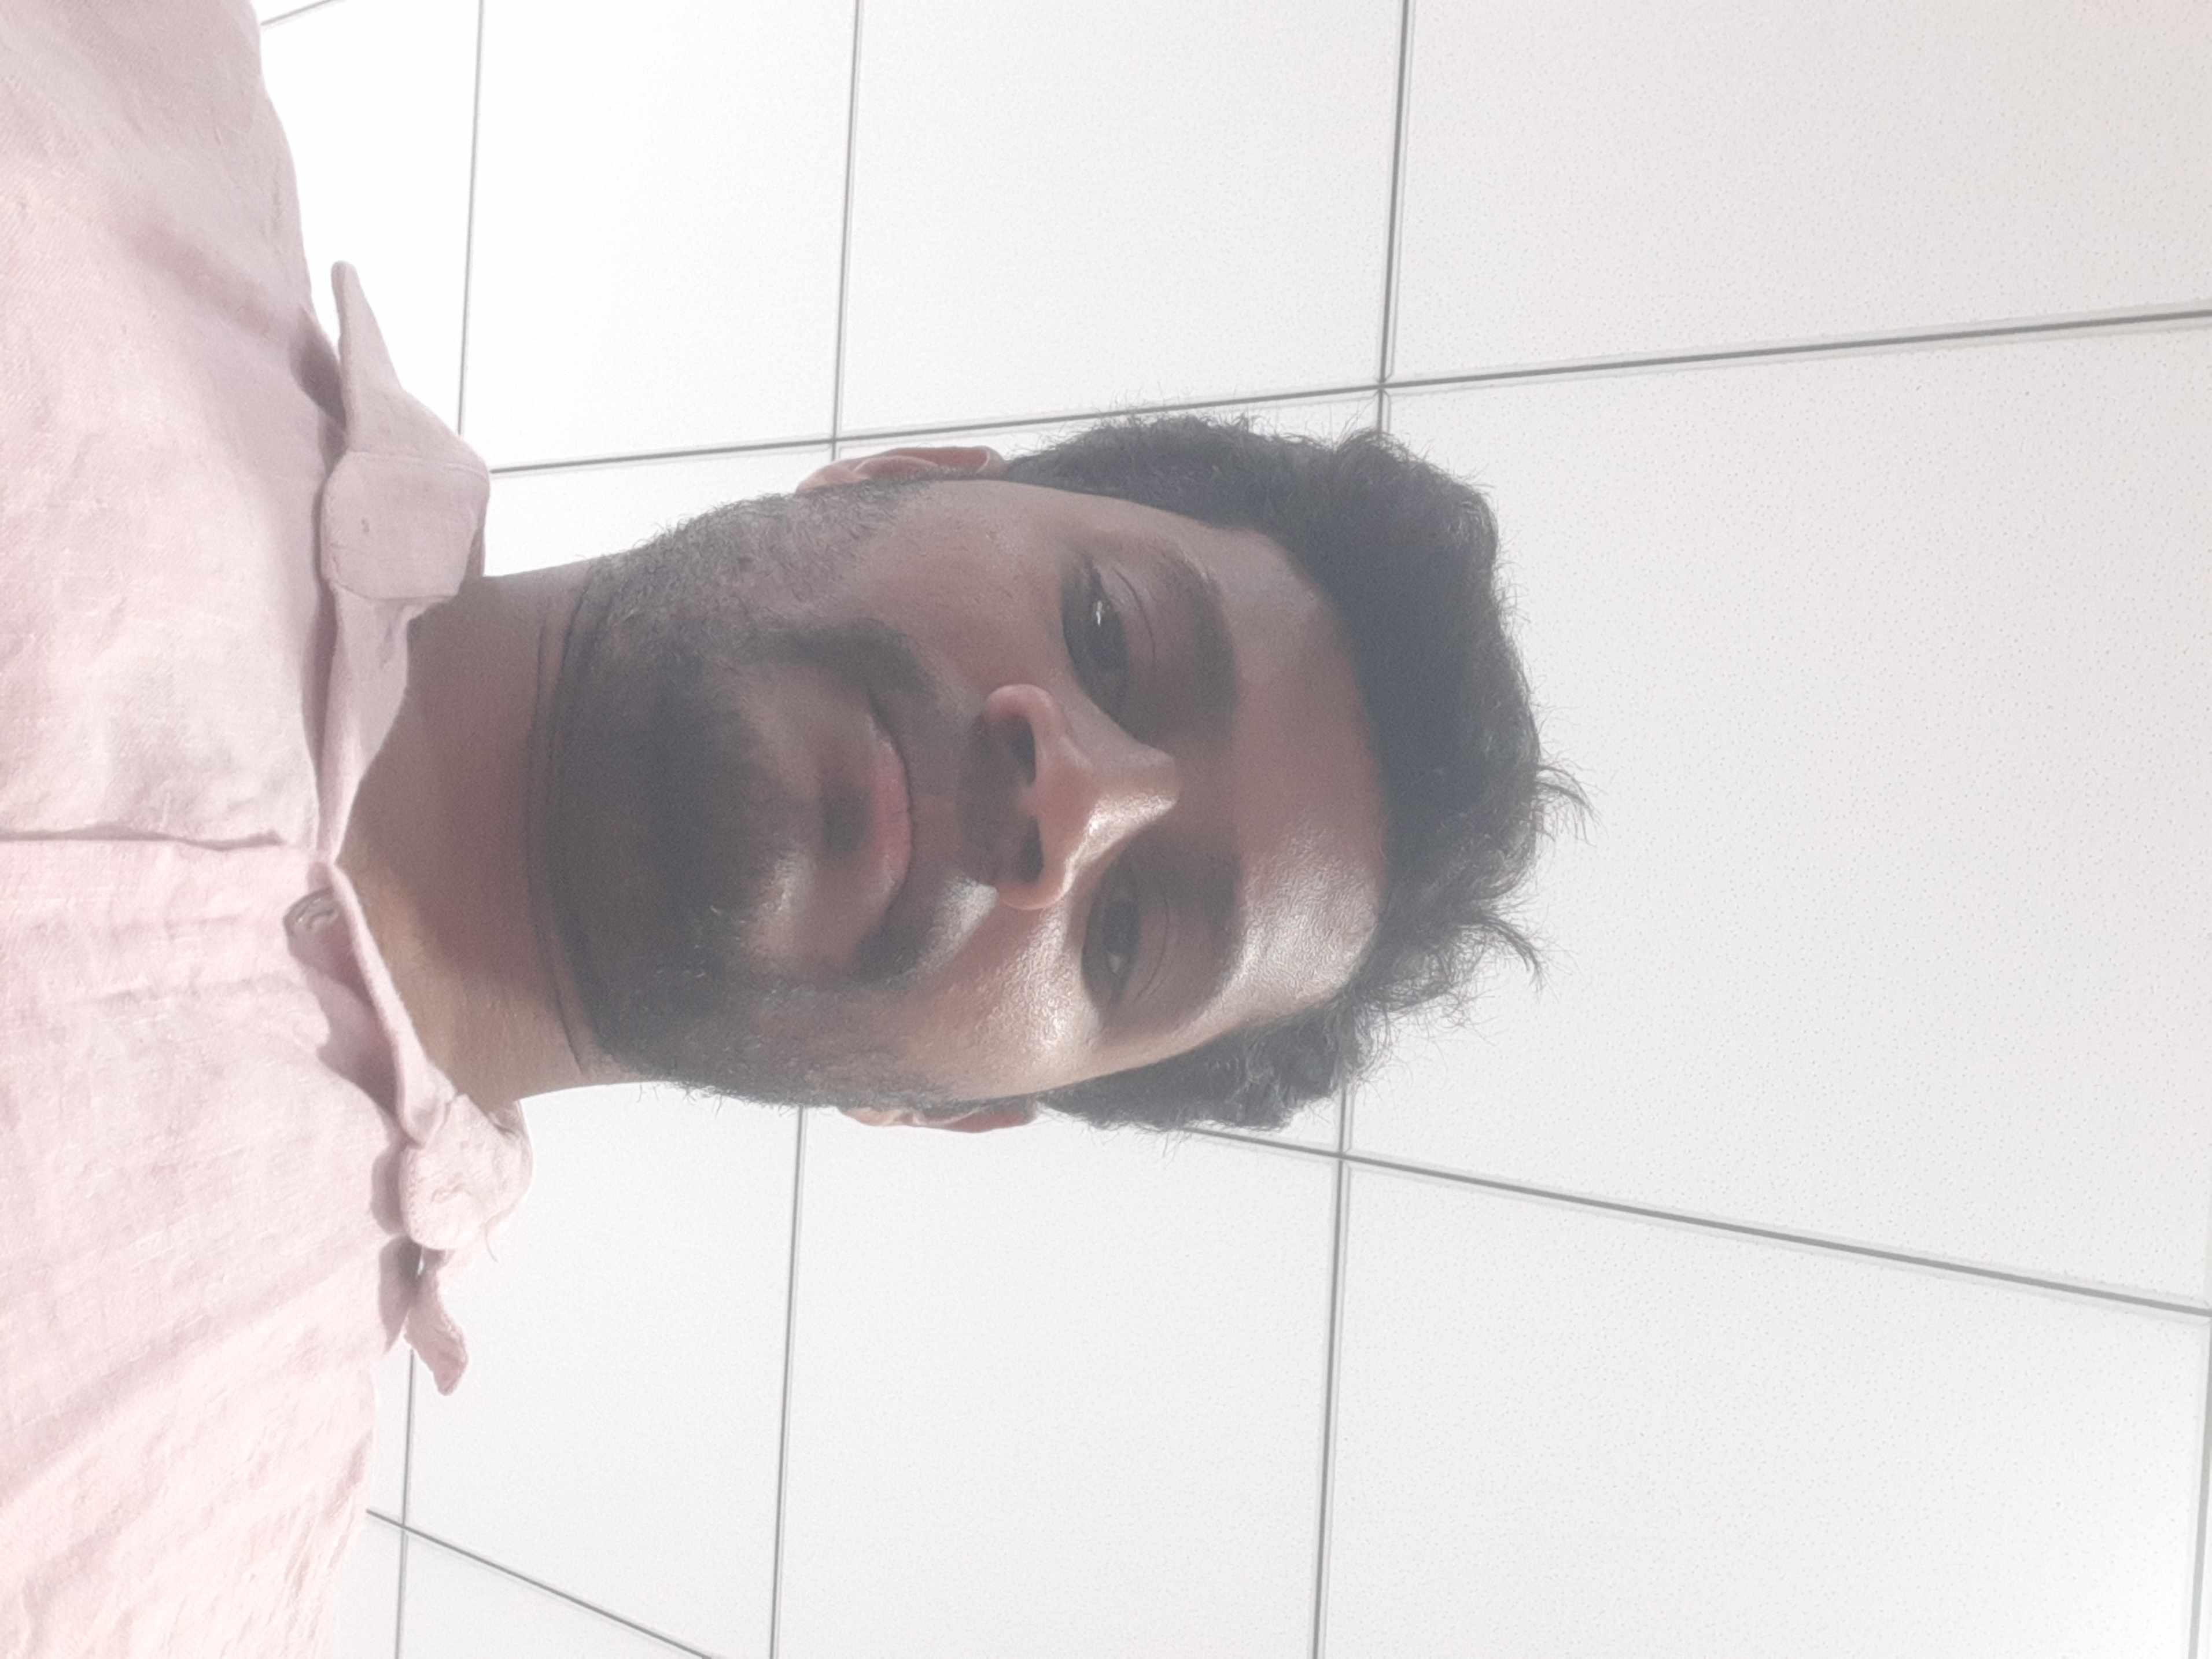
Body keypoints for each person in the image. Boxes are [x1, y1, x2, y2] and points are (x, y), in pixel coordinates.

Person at [0, 2, 1578, 1654]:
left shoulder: (179, 1580)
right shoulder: (115, 82)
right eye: (1111, 634)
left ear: (943, 1108)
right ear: (893, 474)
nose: (1073, 802)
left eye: (1129, 936)